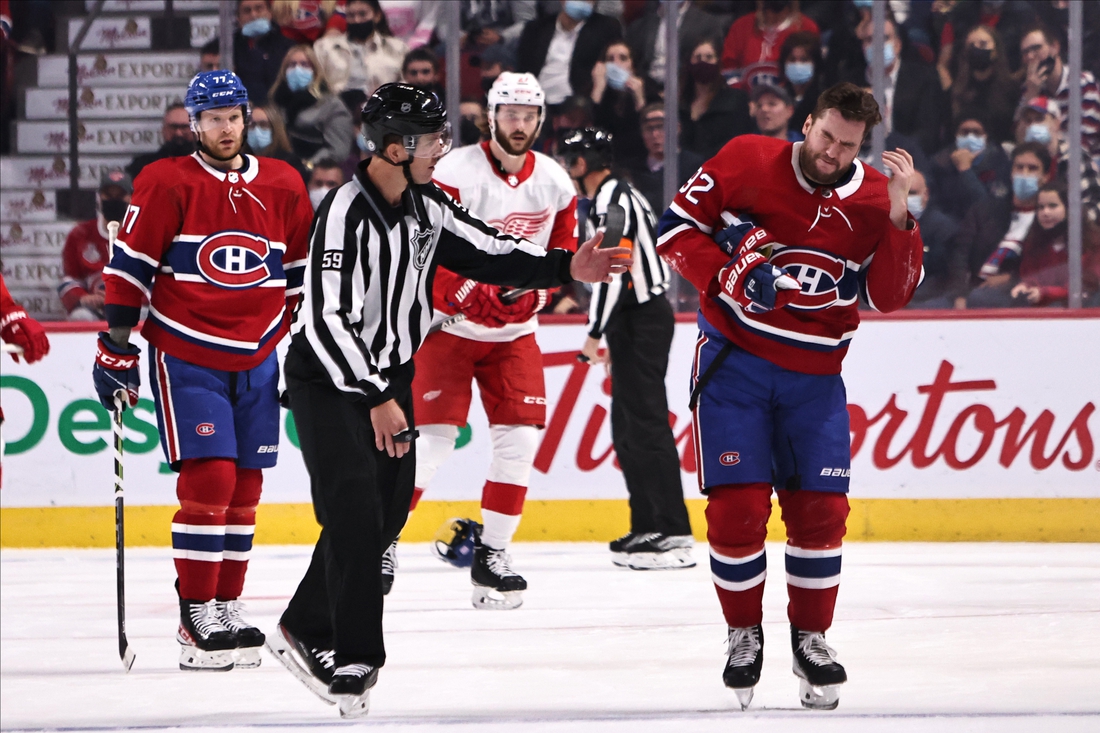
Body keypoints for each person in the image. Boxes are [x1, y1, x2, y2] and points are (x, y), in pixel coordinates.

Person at [265, 83, 629, 717]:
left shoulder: (427, 206)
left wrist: (569, 267)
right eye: (431, 138)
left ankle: (300, 626)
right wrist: (378, 393)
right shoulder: (342, 214)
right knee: (354, 510)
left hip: (388, 379)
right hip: (329, 380)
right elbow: (324, 319)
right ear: (395, 146)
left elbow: (496, 251)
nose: (442, 147)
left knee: (383, 513)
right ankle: (353, 656)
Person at [656, 82, 923, 710]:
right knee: (737, 510)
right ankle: (743, 632)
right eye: (826, 135)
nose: (832, 152)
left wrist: (901, 215)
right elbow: (673, 233)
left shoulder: (879, 199)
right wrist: (729, 273)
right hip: (735, 367)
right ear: (807, 124)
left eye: (848, 145)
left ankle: (812, 639)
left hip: (816, 382)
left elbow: (890, 295)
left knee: (822, 514)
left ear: (864, 147)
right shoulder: (747, 158)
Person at [94, 70, 313, 673]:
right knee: (211, 481)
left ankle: (226, 604)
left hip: (260, 353)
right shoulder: (166, 180)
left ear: (249, 119)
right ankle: (195, 616)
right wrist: (116, 347)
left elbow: (299, 276)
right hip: (188, 350)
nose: (224, 127)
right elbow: (131, 268)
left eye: (233, 116)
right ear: (193, 123)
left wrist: (299, 348)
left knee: (246, 488)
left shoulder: (283, 181)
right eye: (211, 118)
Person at [403, 73, 578, 609]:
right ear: (492, 116)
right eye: (510, 114)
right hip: (446, 329)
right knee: (429, 444)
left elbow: (564, 253)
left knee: (520, 444)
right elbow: (425, 243)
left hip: (514, 334)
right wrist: (462, 293)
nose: (519, 124)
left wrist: (538, 294)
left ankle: (493, 556)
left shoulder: (554, 180)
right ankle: (377, 543)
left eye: (528, 115)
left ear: (540, 120)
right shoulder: (454, 171)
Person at [561, 127, 693, 569]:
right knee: (627, 426)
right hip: (633, 321)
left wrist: (594, 333)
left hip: (641, 321)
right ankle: (647, 523)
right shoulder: (608, 198)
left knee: (647, 423)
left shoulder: (613, 202)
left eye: (571, 157)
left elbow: (612, 272)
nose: (566, 164)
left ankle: (672, 529)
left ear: (586, 163)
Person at [947, 142, 1052, 309]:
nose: (1024, 174)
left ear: (1045, 176)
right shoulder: (984, 210)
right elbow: (960, 254)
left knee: (979, 299)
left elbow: (1046, 266)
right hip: (968, 289)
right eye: (1019, 167)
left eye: (1032, 169)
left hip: (1013, 293)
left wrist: (1011, 278)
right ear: (1011, 172)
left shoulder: (1048, 219)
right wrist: (959, 294)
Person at [970, 182, 1100, 307]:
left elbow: (1087, 285)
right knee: (980, 297)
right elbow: (1030, 275)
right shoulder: (1034, 241)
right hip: (1039, 300)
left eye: (1053, 206)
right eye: (1041, 207)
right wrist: (1025, 285)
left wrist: (1046, 292)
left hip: (1077, 303)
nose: (1045, 212)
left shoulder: (1093, 242)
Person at [517, 0, 623, 109]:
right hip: (535, 104)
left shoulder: (606, 28)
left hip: (577, 105)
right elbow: (523, 70)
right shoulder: (536, 28)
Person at [1019, 23, 1100, 160]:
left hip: (1087, 161)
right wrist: (1031, 96)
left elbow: (1085, 141)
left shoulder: (1082, 83)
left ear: (1054, 47)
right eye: (1025, 52)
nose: (1031, 56)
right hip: (1045, 162)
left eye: (1036, 48)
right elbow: (1020, 141)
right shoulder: (1029, 89)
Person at [58, 170, 131, 321]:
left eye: (120, 196)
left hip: (134, 308)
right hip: (95, 308)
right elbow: (69, 279)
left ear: (131, 198)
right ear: (99, 198)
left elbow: (157, 282)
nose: (113, 200)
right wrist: (84, 298)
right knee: (80, 317)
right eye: (108, 195)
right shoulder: (80, 234)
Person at [313, 0, 408, 115]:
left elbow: (407, 84)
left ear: (377, 15)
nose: (357, 20)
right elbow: (316, 85)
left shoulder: (397, 48)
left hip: (384, 112)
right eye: (351, 16)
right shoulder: (324, 48)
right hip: (337, 112)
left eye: (362, 14)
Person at [269, 44, 355, 165]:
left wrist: (307, 166)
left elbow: (339, 151)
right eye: (292, 65)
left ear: (315, 72)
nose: (297, 70)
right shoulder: (275, 104)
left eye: (304, 65)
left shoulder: (332, 105)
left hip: (315, 171)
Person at [623, 103, 704, 217]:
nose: (655, 134)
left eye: (661, 127)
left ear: (677, 128)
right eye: (649, 129)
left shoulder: (695, 167)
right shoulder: (631, 171)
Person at [947, 25, 1020, 146]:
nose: (976, 49)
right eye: (971, 46)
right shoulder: (958, 90)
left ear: (996, 51)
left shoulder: (1012, 88)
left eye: (983, 44)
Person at [720, 0, 819, 89]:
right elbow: (729, 68)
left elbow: (813, 73)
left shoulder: (806, 27)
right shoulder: (741, 26)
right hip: (744, 103)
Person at [681, 38, 752, 160]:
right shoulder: (679, 104)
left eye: (709, 57)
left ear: (718, 62)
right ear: (689, 63)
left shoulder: (736, 100)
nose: (703, 62)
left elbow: (737, 140)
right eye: (698, 58)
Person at [929, 116, 1011, 222]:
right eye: (965, 132)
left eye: (976, 133)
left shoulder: (998, 161)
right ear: (956, 136)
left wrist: (965, 171)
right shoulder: (939, 163)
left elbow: (986, 205)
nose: (970, 137)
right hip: (950, 223)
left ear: (985, 136)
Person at [590, 40, 653, 165]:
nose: (616, 64)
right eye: (610, 59)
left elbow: (647, 135)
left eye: (623, 58)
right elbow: (591, 128)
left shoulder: (649, 93)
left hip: (638, 161)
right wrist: (598, 89)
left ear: (633, 65)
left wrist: (639, 100)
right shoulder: (596, 93)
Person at [907, 168, 959, 305]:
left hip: (926, 296)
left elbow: (943, 277)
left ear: (925, 194)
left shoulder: (944, 229)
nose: (906, 198)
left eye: (912, 193)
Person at [233, 0, 294, 106]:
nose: (254, 15)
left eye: (259, 9)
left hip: (279, 110)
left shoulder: (288, 48)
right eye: (247, 11)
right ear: (238, 18)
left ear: (270, 13)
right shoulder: (229, 48)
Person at [126, 103, 195, 179]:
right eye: (173, 127)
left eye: (184, 127)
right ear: (163, 130)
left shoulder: (208, 165)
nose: (178, 133)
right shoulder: (143, 166)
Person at [246, 104, 309, 183]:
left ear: (275, 128)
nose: (257, 130)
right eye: (252, 125)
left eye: (263, 125)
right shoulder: (240, 162)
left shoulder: (290, 164)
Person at [778, 30, 825, 133]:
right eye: (792, 60)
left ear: (815, 63)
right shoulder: (778, 97)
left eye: (804, 60)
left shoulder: (825, 99)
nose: (798, 65)